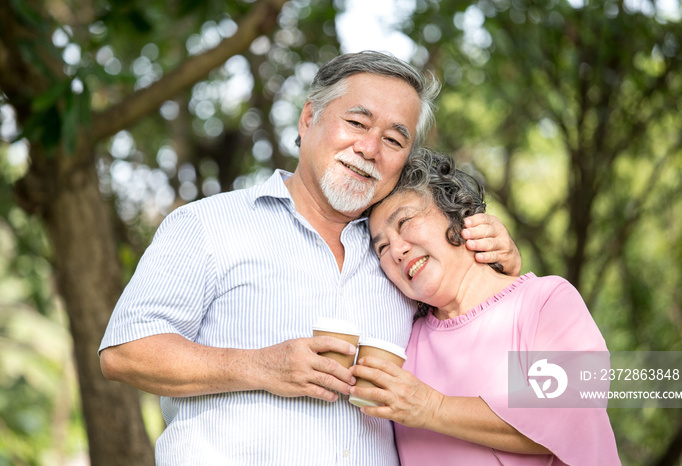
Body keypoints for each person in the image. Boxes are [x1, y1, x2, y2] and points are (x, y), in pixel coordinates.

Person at [98, 51, 521, 465]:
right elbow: (123, 353)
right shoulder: (208, 224)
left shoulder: (405, 263)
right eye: (356, 122)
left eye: (394, 139)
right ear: (308, 117)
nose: (370, 148)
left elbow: (572, 393)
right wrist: (260, 366)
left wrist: (505, 279)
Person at [350, 148, 621, 465]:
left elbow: (570, 412)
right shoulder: (405, 345)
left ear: (460, 215)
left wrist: (432, 408)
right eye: (381, 247)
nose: (396, 249)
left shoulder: (545, 301)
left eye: (405, 221)